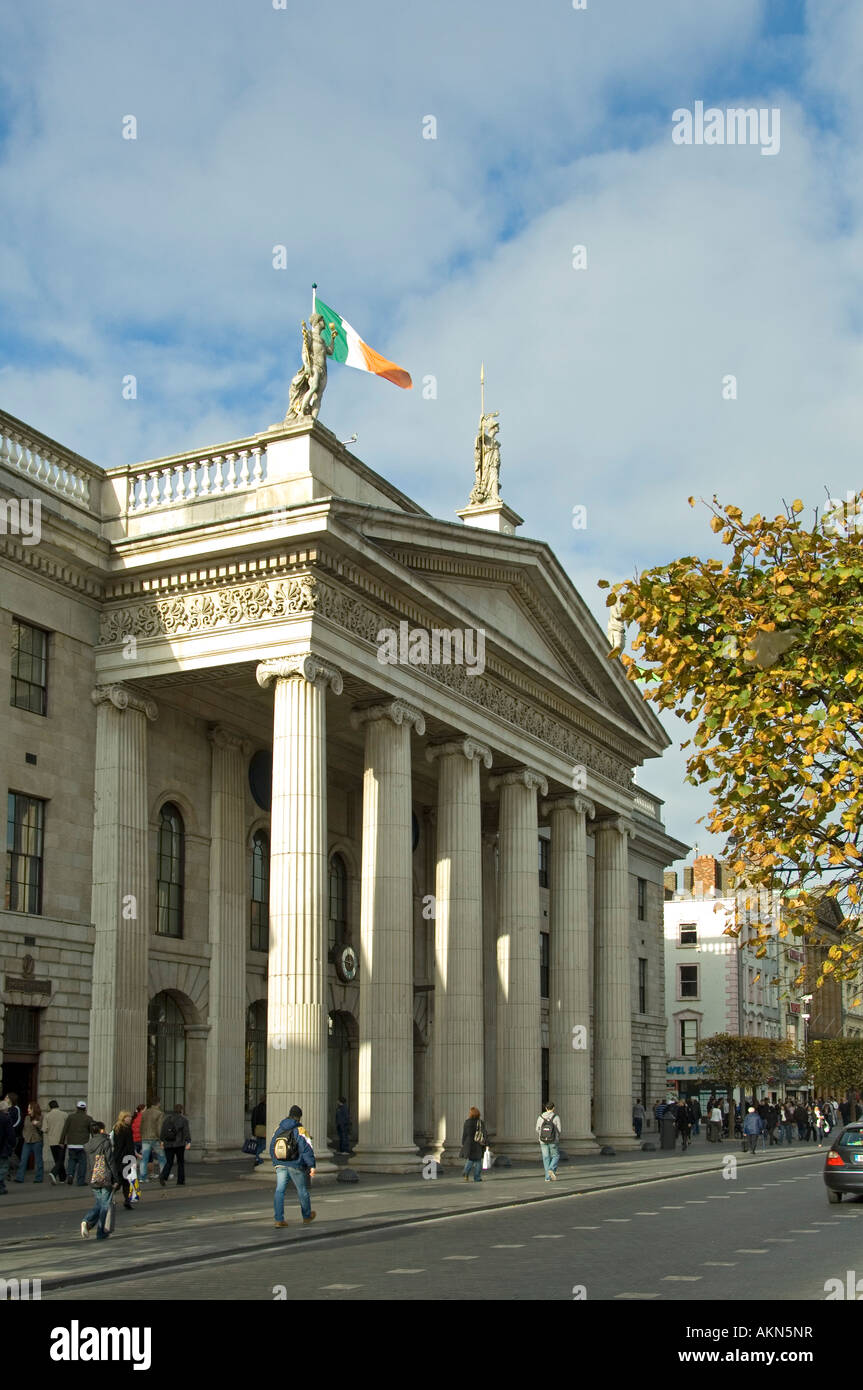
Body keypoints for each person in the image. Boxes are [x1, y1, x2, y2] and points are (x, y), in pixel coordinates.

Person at [270, 1104, 316, 1227]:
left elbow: (271, 1147)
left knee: (279, 1190)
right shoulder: (300, 1130)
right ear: (299, 1117)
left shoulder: (278, 1129)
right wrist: (311, 1165)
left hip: (280, 1163)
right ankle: (307, 1216)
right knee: (302, 1190)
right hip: (295, 1164)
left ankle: (279, 1219)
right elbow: (306, 1149)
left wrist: (276, 1162)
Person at [81, 1120, 119, 1241]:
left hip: (93, 1177)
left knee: (99, 1203)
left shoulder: (88, 1145)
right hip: (105, 1177)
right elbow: (110, 1162)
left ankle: (88, 1222)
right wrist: (116, 1178)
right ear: (101, 1130)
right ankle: (99, 1230)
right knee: (105, 1205)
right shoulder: (105, 1142)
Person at [61, 1102, 91, 1186]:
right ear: (85, 1109)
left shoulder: (70, 1117)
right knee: (82, 1162)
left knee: (71, 1160)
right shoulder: (88, 1118)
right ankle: (80, 1181)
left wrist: (61, 1141)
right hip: (83, 1144)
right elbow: (92, 1131)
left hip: (71, 1144)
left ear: (76, 1108)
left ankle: (70, 1174)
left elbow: (64, 1130)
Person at [159, 1104, 191, 1185]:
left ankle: (163, 1176)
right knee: (180, 1162)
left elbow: (163, 1131)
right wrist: (188, 1142)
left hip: (168, 1143)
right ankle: (180, 1180)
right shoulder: (183, 1120)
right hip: (179, 1144)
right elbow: (186, 1132)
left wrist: (162, 1141)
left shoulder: (167, 1119)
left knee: (169, 1162)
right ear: (181, 1110)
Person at [111, 1111, 137, 1208]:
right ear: (123, 1118)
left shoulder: (116, 1128)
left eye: (130, 1117)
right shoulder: (127, 1129)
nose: (130, 1118)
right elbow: (129, 1145)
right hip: (126, 1157)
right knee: (125, 1180)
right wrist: (133, 1158)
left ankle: (116, 1197)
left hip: (117, 1157)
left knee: (120, 1178)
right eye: (128, 1117)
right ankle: (126, 1200)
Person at [14, 1101, 44, 1183]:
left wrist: (37, 1124)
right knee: (23, 1160)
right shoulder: (27, 1117)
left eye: (29, 1108)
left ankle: (39, 1178)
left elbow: (43, 1128)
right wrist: (24, 1135)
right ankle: (19, 1177)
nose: (28, 1109)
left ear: (34, 1108)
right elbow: (24, 1128)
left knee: (38, 1160)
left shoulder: (41, 1117)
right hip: (27, 1141)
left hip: (37, 1141)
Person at [139, 1099, 166, 1183]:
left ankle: (142, 1177)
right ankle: (164, 1174)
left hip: (145, 1138)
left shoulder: (145, 1113)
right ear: (158, 1104)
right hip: (155, 1138)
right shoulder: (160, 1113)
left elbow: (141, 1126)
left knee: (144, 1158)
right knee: (161, 1157)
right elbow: (159, 1127)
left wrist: (142, 1135)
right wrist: (161, 1139)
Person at [42, 1100, 68, 1184]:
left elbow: (44, 1129)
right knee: (61, 1160)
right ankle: (54, 1173)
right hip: (62, 1140)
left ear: (50, 1107)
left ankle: (62, 1178)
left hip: (52, 1141)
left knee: (57, 1159)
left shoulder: (47, 1116)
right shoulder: (64, 1114)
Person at [536, 1102, 562, 1182]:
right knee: (555, 1156)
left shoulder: (540, 1117)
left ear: (546, 1108)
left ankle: (547, 1177)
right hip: (553, 1140)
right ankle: (551, 1169)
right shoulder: (556, 1117)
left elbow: (537, 1129)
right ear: (553, 1108)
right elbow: (559, 1130)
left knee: (546, 1157)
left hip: (543, 1140)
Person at [461, 1106, 486, 1182]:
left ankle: (465, 1172)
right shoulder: (480, 1122)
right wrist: (486, 1143)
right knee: (478, 1160)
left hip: (469, 1143)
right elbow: (484, 1133)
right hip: (477, 1143)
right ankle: (477, 1177)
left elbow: (464, 1133)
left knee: (471, 1159)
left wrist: (463, 1142)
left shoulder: (467, 1122)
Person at [0, 1101, 16, 1194]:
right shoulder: (6, 1118)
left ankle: (1, 1188)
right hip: (4, 1148)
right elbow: (11, 1135)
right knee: (3, 1167)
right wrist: (12, 1144)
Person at [251, 1096, 267, 1166]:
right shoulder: (266, 1108)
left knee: (259, 1144)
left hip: (257, 1129)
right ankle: (259, 1159)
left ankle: (257, 1158)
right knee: (263, 1145)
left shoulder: (256, 1108)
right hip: (264, 1128)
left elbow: (253, 1120)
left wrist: (253, 1131)